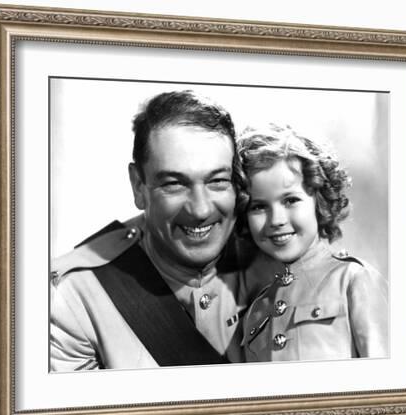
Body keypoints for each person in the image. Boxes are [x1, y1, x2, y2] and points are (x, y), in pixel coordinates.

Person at [50, 90, 249, 371]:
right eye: (174, 184)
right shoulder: (74, 297)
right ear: (138, 187)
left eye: (217, 181)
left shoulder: (274, 255)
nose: (201, 210)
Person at [237, 123, 388, 362]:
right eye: (258, 206)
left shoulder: (352, 280)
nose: (276, 220)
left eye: (290, 200)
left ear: (319, 202)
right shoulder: (256, 310)